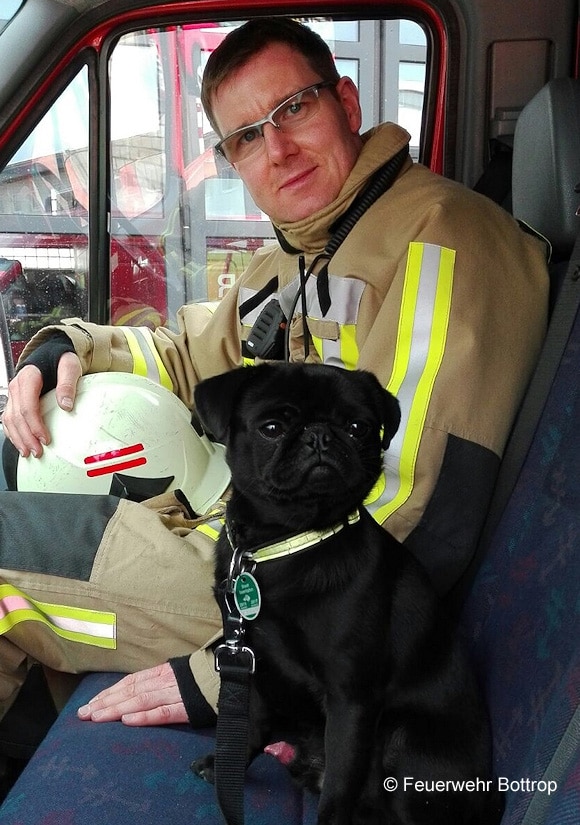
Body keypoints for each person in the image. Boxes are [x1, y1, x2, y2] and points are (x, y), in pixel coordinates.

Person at [0, 17, 548, 730]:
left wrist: (237, 667)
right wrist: (62, 348)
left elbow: (415, 510)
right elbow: (187, 358)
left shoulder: (443, 239)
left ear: (346, 103)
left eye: (294, 108)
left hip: (294, 596)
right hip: (242, 541)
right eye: (247, 136)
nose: (278, 149)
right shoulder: (296, 253)